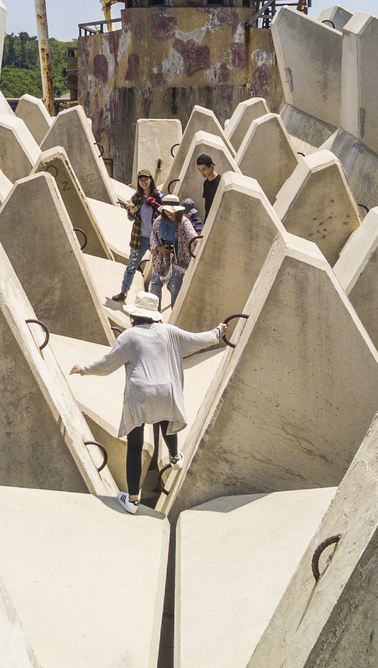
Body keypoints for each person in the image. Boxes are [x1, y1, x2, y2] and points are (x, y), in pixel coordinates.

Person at [69, 292, 226, 513]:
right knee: (165, 418)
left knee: (135, 446)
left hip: (140, 395)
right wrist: (219, 331)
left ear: (134, 315)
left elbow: (107, 364)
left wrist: (83, 369)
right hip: (166, 391)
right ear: (154, 315)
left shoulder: (129, 336)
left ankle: (132, 500)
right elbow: (198, 339)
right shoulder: (169, 331)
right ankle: (174, 458)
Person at [112, 170, 162, 302]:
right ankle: (124, 292)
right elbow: (130, 217)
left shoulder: (159, 196)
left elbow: (165, 213)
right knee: (131, 266)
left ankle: (154, 300)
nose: (143, 182)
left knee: (158, 269)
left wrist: (155, 205)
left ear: (151, 180)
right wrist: (131, 212)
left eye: (146, 179)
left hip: (155, 238)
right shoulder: (136, 197)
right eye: (141, 180)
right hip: (139, 238)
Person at [149, 196, 197, 306]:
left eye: (172, 210)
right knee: (155, 284)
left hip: (178, 260)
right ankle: (155, 315)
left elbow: (192, 236)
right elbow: (153, 235)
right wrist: (158, 248)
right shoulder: (159, 221)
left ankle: (174, 311)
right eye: (167, 210)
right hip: (161, 259)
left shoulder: (184, 222)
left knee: (174, 288)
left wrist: (198, 242)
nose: (170, 213)